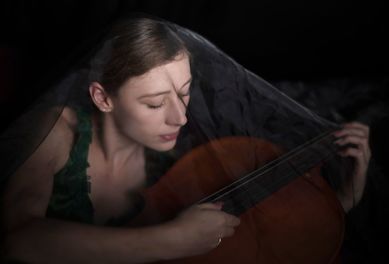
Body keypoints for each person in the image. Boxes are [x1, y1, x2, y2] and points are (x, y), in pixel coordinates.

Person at [0, 15, 370, 263]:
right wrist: (170, 239)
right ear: (102, 98)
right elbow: (16, 239)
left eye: (185, 92)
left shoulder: (185, 157)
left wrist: (337, 204)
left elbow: (254, 245)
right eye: (155, 102)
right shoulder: (59, 129)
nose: (180, 116)